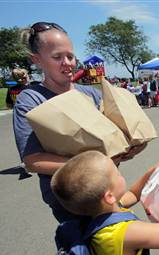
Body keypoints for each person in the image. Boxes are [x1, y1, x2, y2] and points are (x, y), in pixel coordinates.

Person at [12, 22, 143, 223]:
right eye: (57, 57)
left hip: (108, 192)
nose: (68, 62)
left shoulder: (90, 93)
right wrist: (94, 166)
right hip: (72, 203)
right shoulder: (31, 99)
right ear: (36, 60)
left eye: (71, 56)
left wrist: (132, 146)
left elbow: (115, 137)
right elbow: (33, 160)